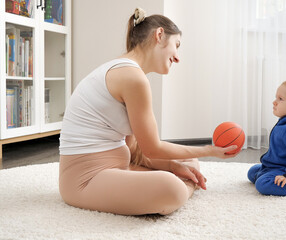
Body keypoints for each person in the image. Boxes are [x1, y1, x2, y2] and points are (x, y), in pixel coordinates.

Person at [59, 8, 239, 216]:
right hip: (84, 180)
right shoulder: (132, 78)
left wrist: (172, 165)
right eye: (177, 45)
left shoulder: (126, 71)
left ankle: (176, 184)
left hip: (117, 167)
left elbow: (135, 149)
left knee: (189, 164)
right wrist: (210, 150)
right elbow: (152, 149)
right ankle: (182, 190)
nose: (178, 57)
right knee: (172, 188)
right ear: (160, 35)